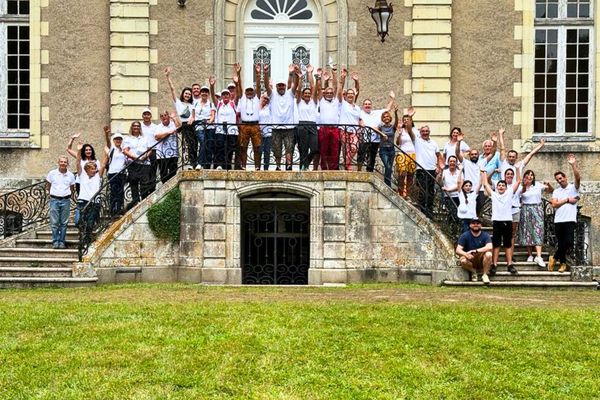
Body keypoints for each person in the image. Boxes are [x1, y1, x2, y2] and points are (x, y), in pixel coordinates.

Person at [482, 170, 521, 276]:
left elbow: (518, 181)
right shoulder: (494, 195)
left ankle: (509, 264)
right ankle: (494, 264)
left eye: (503, 185)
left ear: (506, 187)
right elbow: (485, 183)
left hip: (507, 221)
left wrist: (517, 169)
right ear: (497, 187)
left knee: (508, 244)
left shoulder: (509, 193)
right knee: (496, 244)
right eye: (499, 185)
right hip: (497, 222)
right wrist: (484, 172)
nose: (501, 187)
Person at [549, 154, 581, 273]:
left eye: (561, 178)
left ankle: (554, 257)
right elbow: (554, 204)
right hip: (558, 220)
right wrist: (567, 200)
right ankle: (562, 264)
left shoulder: (573, 188)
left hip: (570, 220)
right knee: (561, 242)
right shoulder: (556, 191)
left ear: (565, 177)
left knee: (568, 242)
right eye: (557, 179)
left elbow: (578, 178)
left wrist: (573, 165)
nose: (559, 180)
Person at [517, 169, 553, 267]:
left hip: (537, 209)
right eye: (527, 175)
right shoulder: (521, 187)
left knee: (538, 231)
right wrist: (524, 184)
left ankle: (539, 256)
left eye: (531, 175)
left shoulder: (538, 185)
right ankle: (530, 255)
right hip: (525, 209)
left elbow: (550, 191)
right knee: (528, 232)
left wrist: (548, 184)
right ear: (524, 177)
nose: (530, 176)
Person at [407, 125, 444, 218]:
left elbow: (439, 155)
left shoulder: (434, 143)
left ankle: (429, 211)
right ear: (420, 132)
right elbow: (410, 132)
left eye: (427, 131)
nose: (425, 133)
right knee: (423, 191)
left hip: (432, 170)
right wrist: (409, 119)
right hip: (421, 170)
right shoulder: (417, 141)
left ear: (429, 132)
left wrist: (439, 166)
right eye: (423, 131)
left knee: (431, 191)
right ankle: (423, 211)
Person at [266, 64, 298, 170]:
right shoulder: (273, 94)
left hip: (289, 128)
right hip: (276, 127)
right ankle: (278, 166)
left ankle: (288, 166)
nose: (281, 87)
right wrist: (266, 73)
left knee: (289, 148)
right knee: (277, 149)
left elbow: (296, 85)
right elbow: (266, 85)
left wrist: (295, 74)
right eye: (279, 85)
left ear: (285, 86)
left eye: (282, 85)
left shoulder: (290, 93)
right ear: (276, 86)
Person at [165, 66, 196, 169]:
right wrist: (168, 76)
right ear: (183, 94)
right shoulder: (178, 103)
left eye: (189, 94)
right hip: (185, 125)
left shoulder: (192, 105)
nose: (187, 95)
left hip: (193, 125)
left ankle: (195, 162)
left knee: (194, 144)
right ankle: (191, 163)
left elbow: (193, 115)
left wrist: (192, 119)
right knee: (189, 144)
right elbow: (172, 89)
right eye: (186, 93)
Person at [357, 92, 395, 172]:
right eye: (366, 104)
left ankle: (369, 172)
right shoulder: (360, 112)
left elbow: (387, 109)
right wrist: (360, 121)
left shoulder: (376, 113)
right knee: (361, 156)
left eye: (369, 104)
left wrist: (392, 99)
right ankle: (359, 171)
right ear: (363, 106)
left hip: (375, 140)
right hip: (364, 139)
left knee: (372, 157)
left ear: (371, 106)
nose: (367, 105)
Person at [45, 156, 75, 249]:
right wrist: (51, 195)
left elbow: (72, 188)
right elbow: (48, 185)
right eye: (61, 162)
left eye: (65, 162)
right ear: (58, 163)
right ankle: (55, 241)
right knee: (54, 223)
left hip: (66, 200)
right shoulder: (52, 173)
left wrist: (68, 195)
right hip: (54, 200)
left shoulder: (70, 175)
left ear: (67, 164)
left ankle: (62, 241)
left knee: (64, 223)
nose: (63, 163)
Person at [210, 74, 238, 170]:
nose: (225, 96)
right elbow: (213, 96)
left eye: (227, 94)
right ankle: (219, 166)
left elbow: (238, 94)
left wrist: (237, 83)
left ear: (230, 96)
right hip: (220, 130)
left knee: (229, 150)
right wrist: (212, 86)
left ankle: (228, 167)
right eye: (224, 94)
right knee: (220, 148)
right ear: (221, 96)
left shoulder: (233, 103)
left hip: (231, 131)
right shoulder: (219, 104)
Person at [237, 63, 262, 170]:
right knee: (243, 147)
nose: (249, 92)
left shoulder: (257, 98)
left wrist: (257, 74)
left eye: (251, 91)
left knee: (257, 147)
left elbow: (259, 86)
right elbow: (239, 86)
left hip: (255, 126)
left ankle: (257, 166)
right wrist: (238, 73)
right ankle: (243, 165)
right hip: (244, 125)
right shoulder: (242, 99)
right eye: (248, 91)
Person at [294, 64, 319, 171]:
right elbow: (299, 90)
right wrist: (300, 79)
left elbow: (314, 88)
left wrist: (310, 74)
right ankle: (302, 168)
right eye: (306, 93)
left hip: (312, 125)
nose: (308, 95)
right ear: (303, 95)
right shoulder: (299, 102)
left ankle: (306, 164)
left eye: (309, 93)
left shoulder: (313, 102)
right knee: (303, 149)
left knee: (315, 149)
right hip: (302, 125)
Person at [75, 148, 105, 238]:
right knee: (77, 221)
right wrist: (79, 151)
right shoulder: (82, 175)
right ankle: (83, 233)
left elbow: (103, 165)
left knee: (90, 223)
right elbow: (77, 163)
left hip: (94, 203)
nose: (93, 170)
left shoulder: (97, 177)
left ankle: (86, 239)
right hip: (82, 202)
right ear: (86, 170)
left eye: (94, 168)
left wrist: (107, 153)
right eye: (91, 169)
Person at [122, 121, 151, 210]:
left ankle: (144, 201)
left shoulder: (145, 138)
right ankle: (136, 203)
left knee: (145, 183)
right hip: (133, 163)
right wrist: (134, 157)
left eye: (138, 126)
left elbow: (150, 149)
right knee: (133, 183)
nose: (136, 127)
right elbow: (125, 150)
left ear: (140, 128)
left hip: (145, 163)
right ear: (132, 127)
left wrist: (146, 156)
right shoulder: (128, 138)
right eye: (134, 126)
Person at [317, 68, 342, 170]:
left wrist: (334, 74)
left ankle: (333, 169)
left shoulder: (336, 101)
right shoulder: (321, 101)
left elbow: (336, 87)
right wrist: (321, 78)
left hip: (334, 129)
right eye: (327, 93)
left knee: (334, 150)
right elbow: (319, 89)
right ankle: (324, 169)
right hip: (324, 129)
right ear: (324, 94)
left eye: (331, 93)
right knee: (323, 149)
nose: (329, 94)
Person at [456, 217, 493, 284]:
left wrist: (476, 251)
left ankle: (485, 275)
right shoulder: (465, 235)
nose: (475, 225)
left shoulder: (485, 235)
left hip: (481, 258)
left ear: (481, 225)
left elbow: (490, 247)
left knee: (489, 254)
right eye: (473, 223)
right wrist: (466, 254)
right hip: (469, 258)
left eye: (478, 223)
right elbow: (458, 250)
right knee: (463, 261)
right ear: (470, 225)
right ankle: (474, 272)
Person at [338, 69, 362, 171]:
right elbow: (339, 90)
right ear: (346, 95)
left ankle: (346, 164)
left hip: (354, 131)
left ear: (354, 95)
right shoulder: (343, 104)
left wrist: (356, 81)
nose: (351, 95)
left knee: (354, 148)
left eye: (352, 93)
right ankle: (348, 167)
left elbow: (358, 90)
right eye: (349, 93)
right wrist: (342, 78)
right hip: (344, 129)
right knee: (346, 150)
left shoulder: (357, 107)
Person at [371, 108, 398, 187]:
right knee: (388, 166)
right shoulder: (381, 127)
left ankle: (387, 184)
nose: (386, 118)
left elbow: (396, 122)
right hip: (383, 150)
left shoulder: (393, 127)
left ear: (390, 118)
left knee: (389, 168)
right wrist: (382, 134)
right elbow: (373, 128)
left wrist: (396, 113)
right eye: (384, 117)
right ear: (382, 119)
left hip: (391, 150)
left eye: (387, 116)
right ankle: (388, 185)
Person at [395, 108, 418, 197]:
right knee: (402, 173)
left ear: (411, 121)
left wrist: (410, 116)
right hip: (402, 154)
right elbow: (397, 143)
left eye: (407, 120)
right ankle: (400, 192)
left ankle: (407, 194)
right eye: (404, 120)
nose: (405, 121)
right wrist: (400, 134)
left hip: (412, 154)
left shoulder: (415, 130)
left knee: (410, 175)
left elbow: (414, 139)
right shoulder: (401, 130)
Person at [193, 85, 216, 170]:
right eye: (203, 91)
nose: (204, 93)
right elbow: (193, 115)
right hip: (199, 126)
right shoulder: (195, 103)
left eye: (206, 92)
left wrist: (210, 121)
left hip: (210, 126)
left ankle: (207, 165)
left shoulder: (211, 104)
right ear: (200, 93)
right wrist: (191, 120)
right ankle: (200, 163)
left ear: (208, 94)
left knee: (209, 146)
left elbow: (213, 115)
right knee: (203, 142)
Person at [154, 111, 181, 183]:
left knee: (173, 172)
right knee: (163, 174)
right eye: (162, 116)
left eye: (165, 115)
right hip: (162, 155)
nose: (164, 117)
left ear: (168, 116)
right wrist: (168, 132)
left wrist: (174, 118)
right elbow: (157, 137)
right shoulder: (158, 127)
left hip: (173, 153)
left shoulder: (173, 124)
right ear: (160, 118)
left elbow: (179, 128)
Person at [105, 133, 127, 216]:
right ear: (114, 140)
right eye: (116, 139)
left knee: (120, 192)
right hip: (112, 173)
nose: (118, 140)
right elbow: (108, 143)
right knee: (114, 192)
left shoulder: (123, 150)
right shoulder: (112, 149)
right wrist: (106, 134)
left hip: (122, 173)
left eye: (120, 139)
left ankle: (118, 209)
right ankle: (112, 210)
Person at [456, 167, 481, 232]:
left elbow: (480, 184)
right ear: (463, 187)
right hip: (463, 218)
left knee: (472, 233)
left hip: (472, 218)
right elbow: (458, 182)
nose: (468, 187)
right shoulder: (461, 193)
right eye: (466, 186)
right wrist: (461, 170)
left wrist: (482, 174)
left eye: (470, 186)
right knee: (465, 233)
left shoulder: (473, 194)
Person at [140, 108, 158, 193]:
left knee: (152, 172)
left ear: (151, 116)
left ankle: (152, 191)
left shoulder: (155, 127)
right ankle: (144, 193)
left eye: (148, 114)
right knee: (143, 172)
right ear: (142, 116)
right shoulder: (139, 126)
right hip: (142, 152)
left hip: (153, 151)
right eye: (145, 114)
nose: (146, 116)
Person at [258, 93, 273, 170]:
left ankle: (266, 168)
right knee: (259, 151)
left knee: (267, 151)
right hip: (258, 133)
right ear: (261, 98)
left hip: (268, 132)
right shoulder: (256, 107)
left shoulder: (269, 107)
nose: (265, 100)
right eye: (264, 98)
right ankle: (258, 167)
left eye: (267, 99)